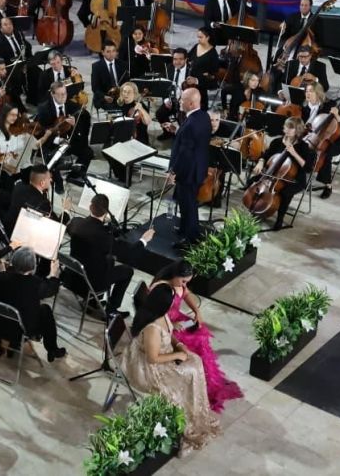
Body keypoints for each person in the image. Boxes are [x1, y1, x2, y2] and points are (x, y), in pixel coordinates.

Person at [123, 284, 220, 454]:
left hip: (163, 356)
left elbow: (169, 333)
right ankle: (186, 418)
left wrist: (180, 345)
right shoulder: (152, 328)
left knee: (195, 361)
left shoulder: (161, 314)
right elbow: (152, 359)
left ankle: (197, 411)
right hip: (150, 370)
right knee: (189, 372)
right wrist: (177, 355)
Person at [143, 261, 243, 412]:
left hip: (177, 319)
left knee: (201, 332)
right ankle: (197, 380)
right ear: (175, 275)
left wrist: (197, 311)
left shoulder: (179, 284)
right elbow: (154, 313)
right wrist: (171, 324)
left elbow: (186, 294)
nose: (184, 285)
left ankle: (208, 380)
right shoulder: (160, 289)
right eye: (183, 281)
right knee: (197, 340)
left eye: (187, 282)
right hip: (165, 324)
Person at [0, 247, 66, 362]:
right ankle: (52, 349)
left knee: (14, 303)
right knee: (45, 310)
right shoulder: (35, 284)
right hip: (21, 329)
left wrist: (4, 271)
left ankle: (13, 344)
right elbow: (51, 289)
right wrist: (54, 274)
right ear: (33, 266)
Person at [66, 194, 134, 315]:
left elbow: (78, 228)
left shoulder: (76, 223)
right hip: (90, 284)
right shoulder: (104, 236)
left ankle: (93, 302)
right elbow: (124, 252)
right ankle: (111, 310)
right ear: (106, 213)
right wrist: (143, 241)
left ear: (90, 207)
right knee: (127, 271)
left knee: (108, 260)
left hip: (71, 277)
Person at [248, 116, 313, 230]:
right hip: (272, 174)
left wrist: (294, 153)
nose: (286, 129)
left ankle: (280, 219)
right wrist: (260, 162)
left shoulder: (303, 146)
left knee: (285, 192)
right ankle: (258, 208)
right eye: (286, 126)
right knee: (251, 182)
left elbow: (308, 168)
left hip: (295, 178)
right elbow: (266, 155)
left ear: (298, 130)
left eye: (291, 128)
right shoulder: (277, 142)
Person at [167, 87, 210, 248]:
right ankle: (185, 229)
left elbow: (184, 153)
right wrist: (178, 132)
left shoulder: (191, 123)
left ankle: (190, 238)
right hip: (198, 168)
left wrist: (173, 171)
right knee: (188, 203)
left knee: (188, 205)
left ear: (191, 103)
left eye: (182, 99)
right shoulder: (203, 116)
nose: (179, 101)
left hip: (188, 172)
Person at [301, 82, 340, 200]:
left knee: (325, 154)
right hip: (311, 137)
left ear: (318, 93)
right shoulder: (305, 107)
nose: (308, 94)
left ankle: (328, 185)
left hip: (332, 139)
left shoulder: (329, 105)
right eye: (306, 91)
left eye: (311, 91)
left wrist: (337, 115)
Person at [91, 40, 126, 107]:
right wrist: (104, 96)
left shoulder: (122, 64)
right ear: (102, 52)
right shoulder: (96, 67)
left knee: (138, 106)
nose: (111, 54)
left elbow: (127, 82)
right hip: (105, 97)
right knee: (117, 108)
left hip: (121, 95)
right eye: (108, 51)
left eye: (113, 51)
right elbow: (95, 88)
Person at [188, 27, 220, 93]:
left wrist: (208, 75)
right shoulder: (196, 46)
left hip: (203, 82)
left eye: (201, 37)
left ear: (207, 38)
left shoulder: (213, 53)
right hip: (191, 77)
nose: (198, 39)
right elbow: (188, 57)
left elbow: (214, 72)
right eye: (198, 37)